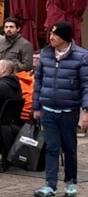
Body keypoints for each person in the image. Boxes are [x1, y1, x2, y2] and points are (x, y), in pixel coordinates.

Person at [32, 22, 88, 197]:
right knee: (51, 147)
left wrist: (85, 110)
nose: (51, 38)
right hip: (48, 109)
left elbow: (87, 85)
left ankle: (70, 183)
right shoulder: (45, 54)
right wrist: (36, 106)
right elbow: (38, 81)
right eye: (50, 34)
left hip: (69, 110)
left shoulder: (81, 56)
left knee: (70, 148)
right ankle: (50, 185)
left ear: (64, 37)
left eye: (55, 35)